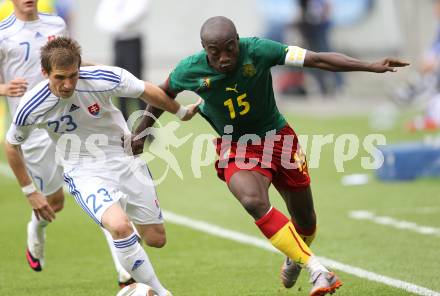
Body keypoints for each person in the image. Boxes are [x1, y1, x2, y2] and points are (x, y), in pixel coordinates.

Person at [132, 16, 409, 296]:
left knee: (306, 222)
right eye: (215, 52)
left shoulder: (260, 50)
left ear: (238, 41)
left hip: (279, 140)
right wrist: (141, 133)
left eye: (230, 48)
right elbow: (161, 94)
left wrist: (369, 66)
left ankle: (295, 255)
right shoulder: (189, 70)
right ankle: (317, 270)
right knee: (252, 200)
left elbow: (317, 59)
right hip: (237, 146)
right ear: (204, 49)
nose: (225, 58)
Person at [5, 37, 199, 296]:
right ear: (45, 73)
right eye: (60, 77)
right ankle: (160, 292)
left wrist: (181, 111)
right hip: (83, 169)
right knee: (119, 226)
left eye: (73, 75)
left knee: (156, 239)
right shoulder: (31, 106)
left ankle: (130, 260)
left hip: (124, 158)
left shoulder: (101, 78)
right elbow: (11, 146)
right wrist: (31, 192)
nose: (68, 84)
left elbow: (146, 90)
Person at [0, 0, 135, 288]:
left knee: (105, 194)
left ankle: (126, 275)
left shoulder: (56, 24)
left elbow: (73, 64)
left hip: (71, 120)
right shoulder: (3, 33)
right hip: (34, 130)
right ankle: (36, 228)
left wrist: (104, 71)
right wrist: (4, 88)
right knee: (55, 203)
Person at [95, 0, 149, 121]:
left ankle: (146, 123)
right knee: (119, 80)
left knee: (138, 82)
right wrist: (116, 24)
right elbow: (101, 20)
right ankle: (124, 123)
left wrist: (115, 21)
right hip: (118, 42)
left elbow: (136, 14)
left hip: (133, 41)